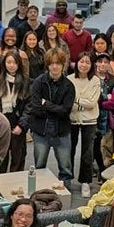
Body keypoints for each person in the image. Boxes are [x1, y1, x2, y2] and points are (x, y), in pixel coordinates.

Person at [20, 48, 76, 184]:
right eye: (52, 63)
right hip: (40, 129)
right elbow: (36, 108)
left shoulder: (69, 86)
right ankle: (40, 190)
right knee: (39, 166)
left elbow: (65, 111)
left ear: (63, 65)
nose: (55, 66)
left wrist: (47, 104)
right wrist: (54, 107)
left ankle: (66, 193)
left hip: (61, 130)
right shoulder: (38, 82)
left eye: (58, 63)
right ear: (48, 65)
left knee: (65, 168)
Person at [68, 52, 101, 198]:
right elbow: (68, 102)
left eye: (87, 62)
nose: (84, 65)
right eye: (81, 61)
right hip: (72, 119)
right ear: (76, 63)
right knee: (69, 149)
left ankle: (85, 181)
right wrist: (82, 102)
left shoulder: (95, 80)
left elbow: (92, 103)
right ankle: (67, 179)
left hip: (90, 120)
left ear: (91, 65)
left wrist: (77, 102)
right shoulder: (69, 79)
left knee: (87, 152)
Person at [0, 51, 31, 173]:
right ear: (4, 64)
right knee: (1, 159)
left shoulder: (26, 82)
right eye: (8, 62)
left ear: (19, 64)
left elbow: (29, 107)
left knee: (18, 159)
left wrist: (21, 125)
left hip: (18, 126)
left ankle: (15, 186)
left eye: (14, 62)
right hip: (1, 126)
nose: (11, 65)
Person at [93, 52, 114, 174]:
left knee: (104, 145)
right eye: (100, 61)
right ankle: (94, 169)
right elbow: (90, 98)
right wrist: (106, 97)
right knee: (92, 145)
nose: (103, 64)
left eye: (106, 62)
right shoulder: (91, 78)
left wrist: (99, 102)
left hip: (108, 120)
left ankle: (103, 170)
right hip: (91, 117)